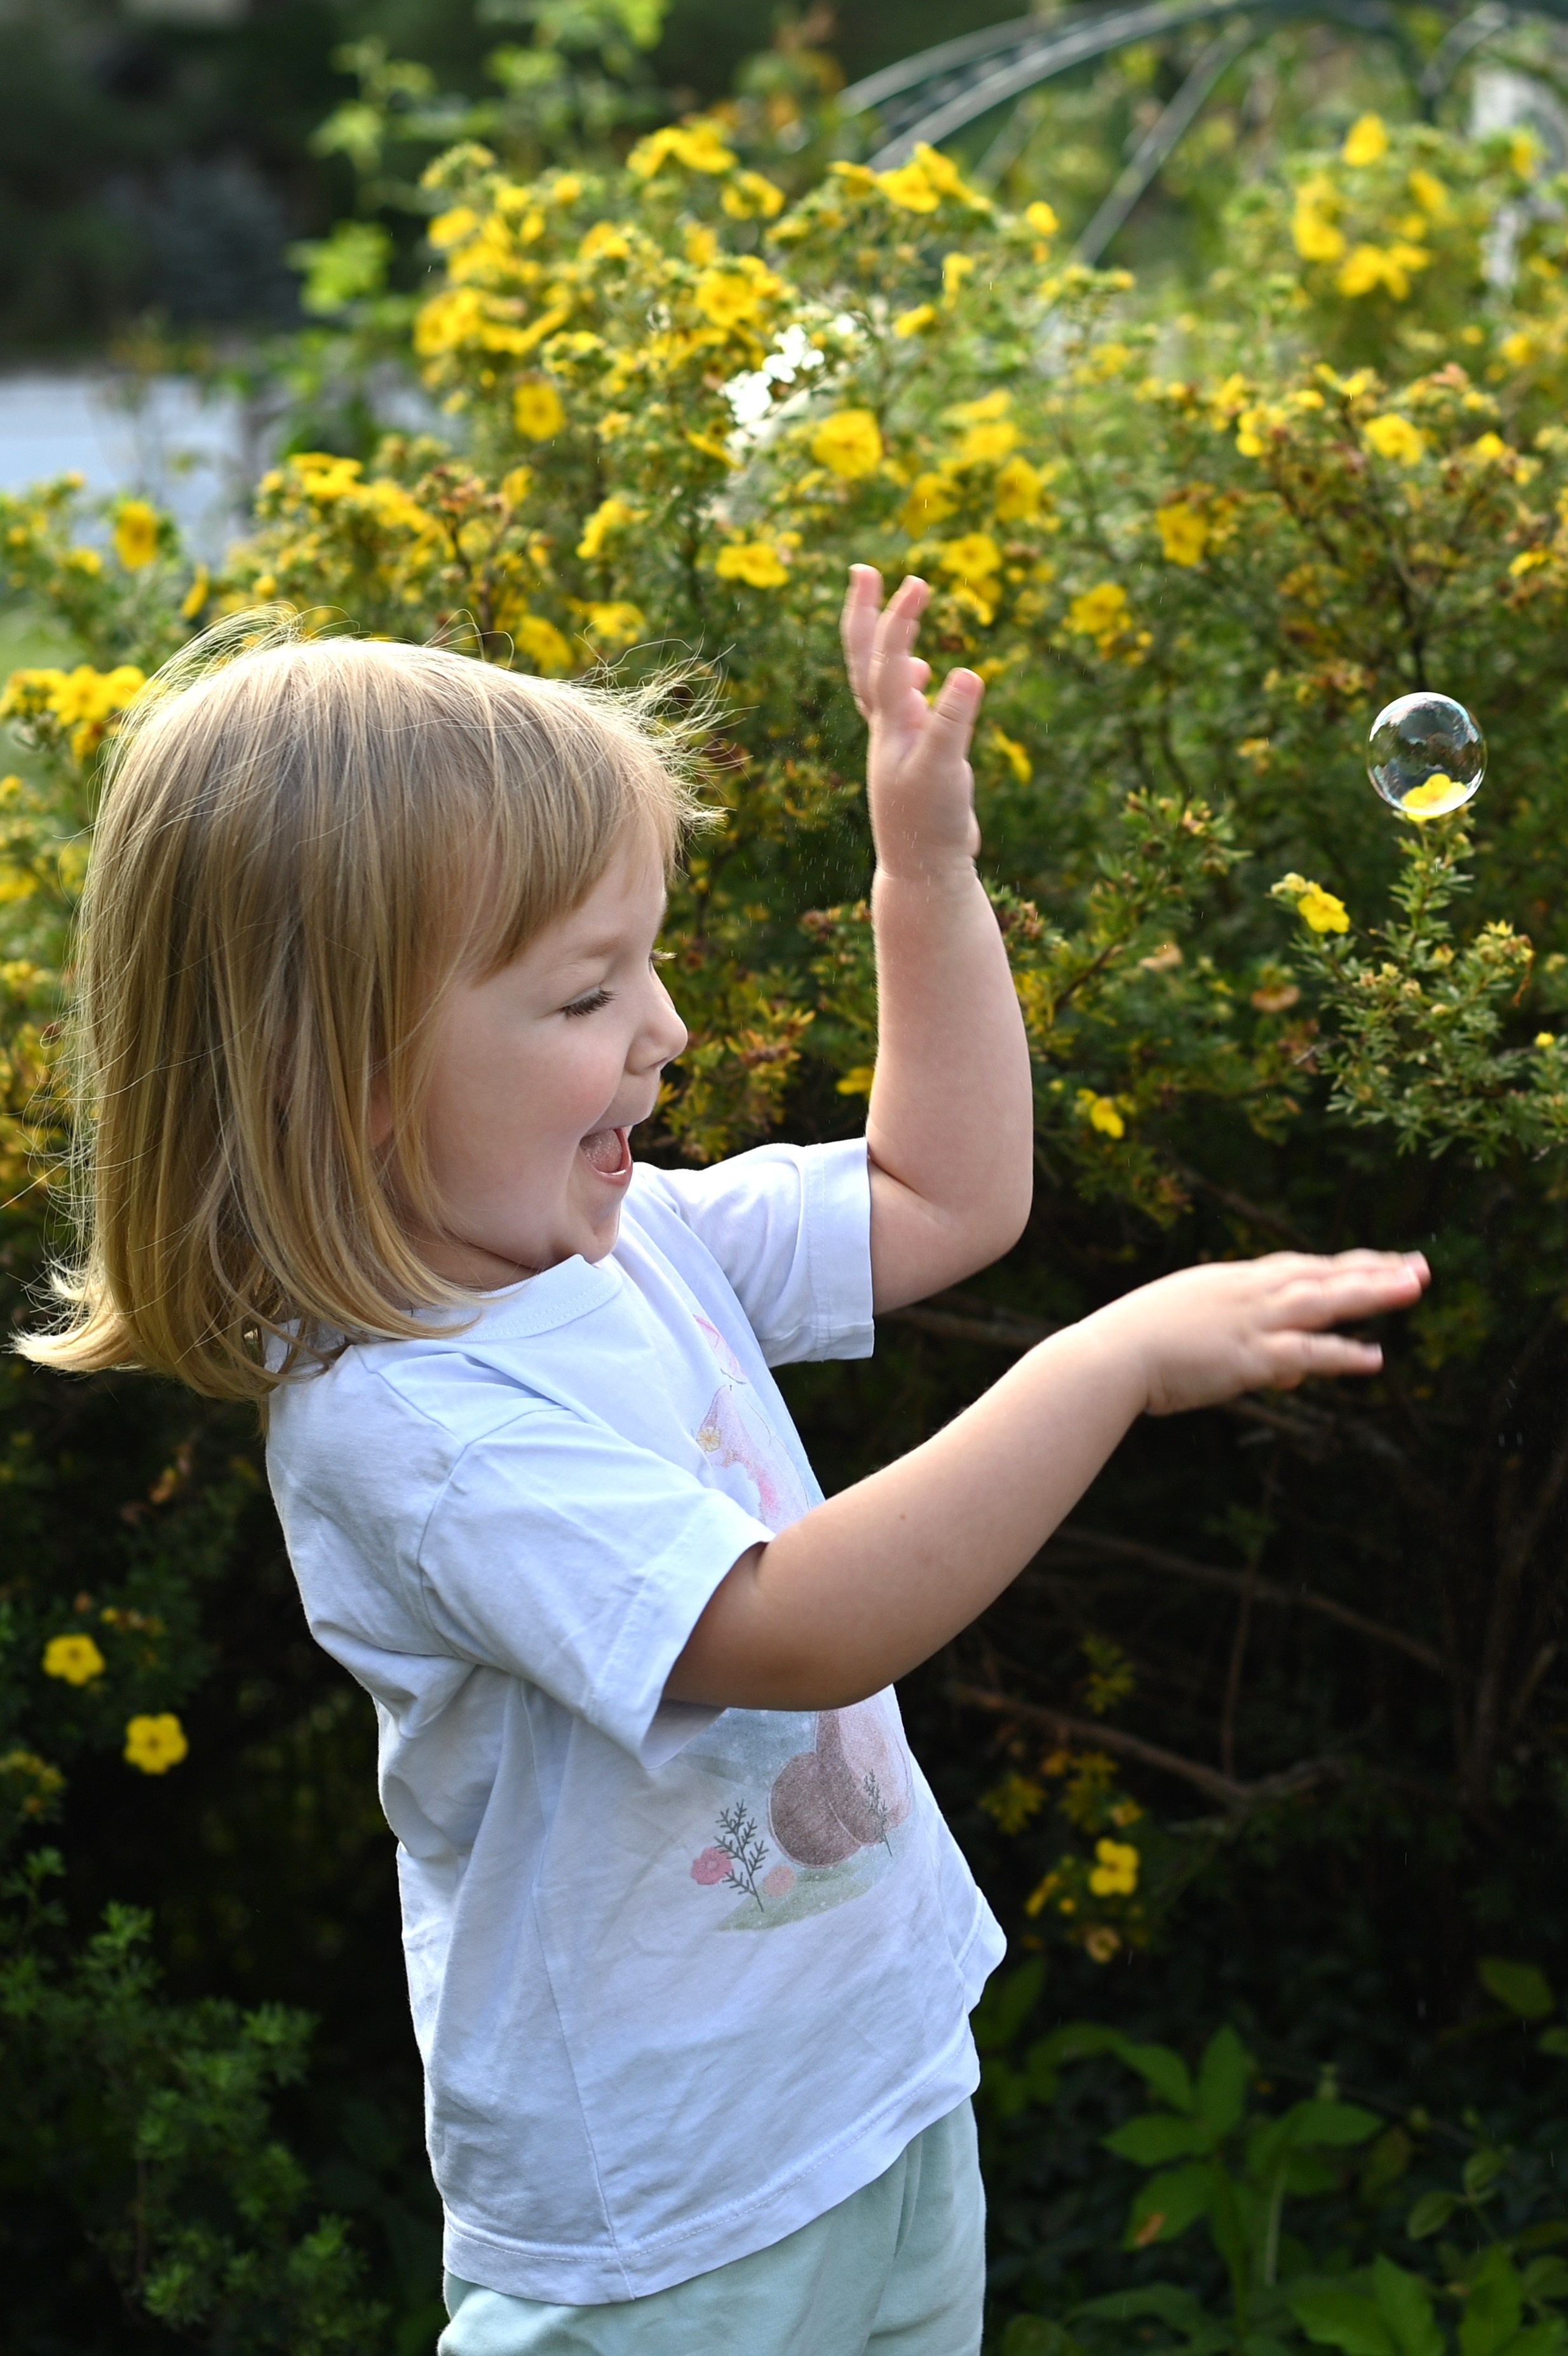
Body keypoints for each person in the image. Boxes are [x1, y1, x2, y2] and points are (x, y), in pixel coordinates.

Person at [21, 567, 1428, 2356]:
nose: (666, 1030)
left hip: (876, 2084)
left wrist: (921, 877)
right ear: (346, 1071)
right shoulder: (412, 1425)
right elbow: (792, 1625)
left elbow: (947, 1194)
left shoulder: (626, 1237)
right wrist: (1107, 1364)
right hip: (666, 2224)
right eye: (587, 992)